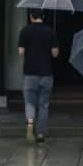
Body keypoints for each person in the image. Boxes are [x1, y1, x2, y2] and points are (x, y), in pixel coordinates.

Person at [18, 9, 59, 144]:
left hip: (29, 73)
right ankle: (41, 134)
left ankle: (30, 123)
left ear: (31, 17)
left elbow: (21, 51)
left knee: (30, 102)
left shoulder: (25, 31)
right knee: (43, 105)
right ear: (43, 16)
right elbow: (55, 54)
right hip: (46, 73)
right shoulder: (50, 31)